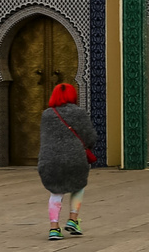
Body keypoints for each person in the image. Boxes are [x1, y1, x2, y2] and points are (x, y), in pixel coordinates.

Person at [37, 82, 96, 241]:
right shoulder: (79, 113)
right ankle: (73, 219)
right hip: (75, 158)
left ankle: (54, 228)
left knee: (56, 192)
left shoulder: (47, 114)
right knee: (79, 186)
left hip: (50, 159)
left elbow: (44, 138)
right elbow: (90, 137)